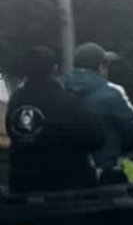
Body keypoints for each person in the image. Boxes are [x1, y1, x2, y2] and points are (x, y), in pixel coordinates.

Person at [63, 42, 133, 176]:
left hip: (73, 171)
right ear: (101, 67)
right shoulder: (110, 92)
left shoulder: (61, 88)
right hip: (108, 169)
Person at [4, 46, 104, 193]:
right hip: (64, 188)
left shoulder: (15, 101)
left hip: (22, 185)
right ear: (55, 69)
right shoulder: (67, 101)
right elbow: (96, 139)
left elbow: (13, 132)